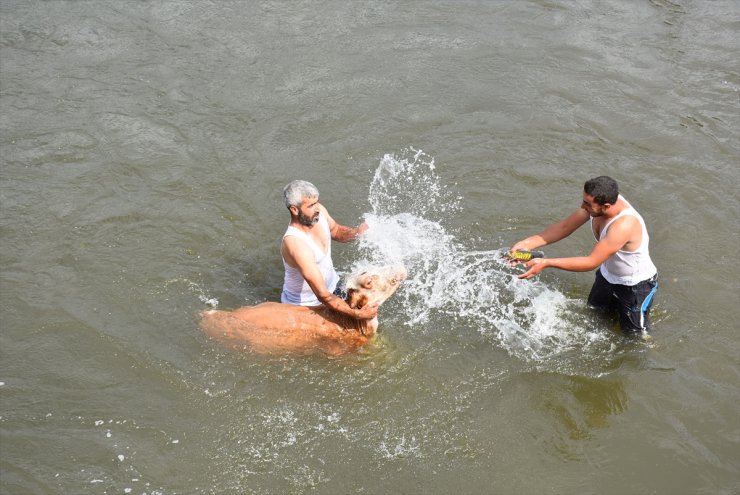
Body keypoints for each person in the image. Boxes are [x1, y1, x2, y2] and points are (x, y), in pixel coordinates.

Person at [511, 176, 658, 335]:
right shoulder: (598, 204)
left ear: (606, 206)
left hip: (635, 287)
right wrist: (526, 244)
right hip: (607, 276)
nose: (582, 206)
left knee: (634, 338)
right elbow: (564, 227)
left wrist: (546, 263)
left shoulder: (623, 225)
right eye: (583, 201)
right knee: (594, 314)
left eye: (587, 204)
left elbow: (591, 261)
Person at [280, 180, 378, 320]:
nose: (317, 208)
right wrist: (358, 314)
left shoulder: (318, 213)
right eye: (311, 205)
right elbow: (323, 295)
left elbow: (336, 230)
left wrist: (357, 233)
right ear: (294, 210)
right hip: (307, 306)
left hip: (333, 287)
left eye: (317, 202)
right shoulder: (295, 244)